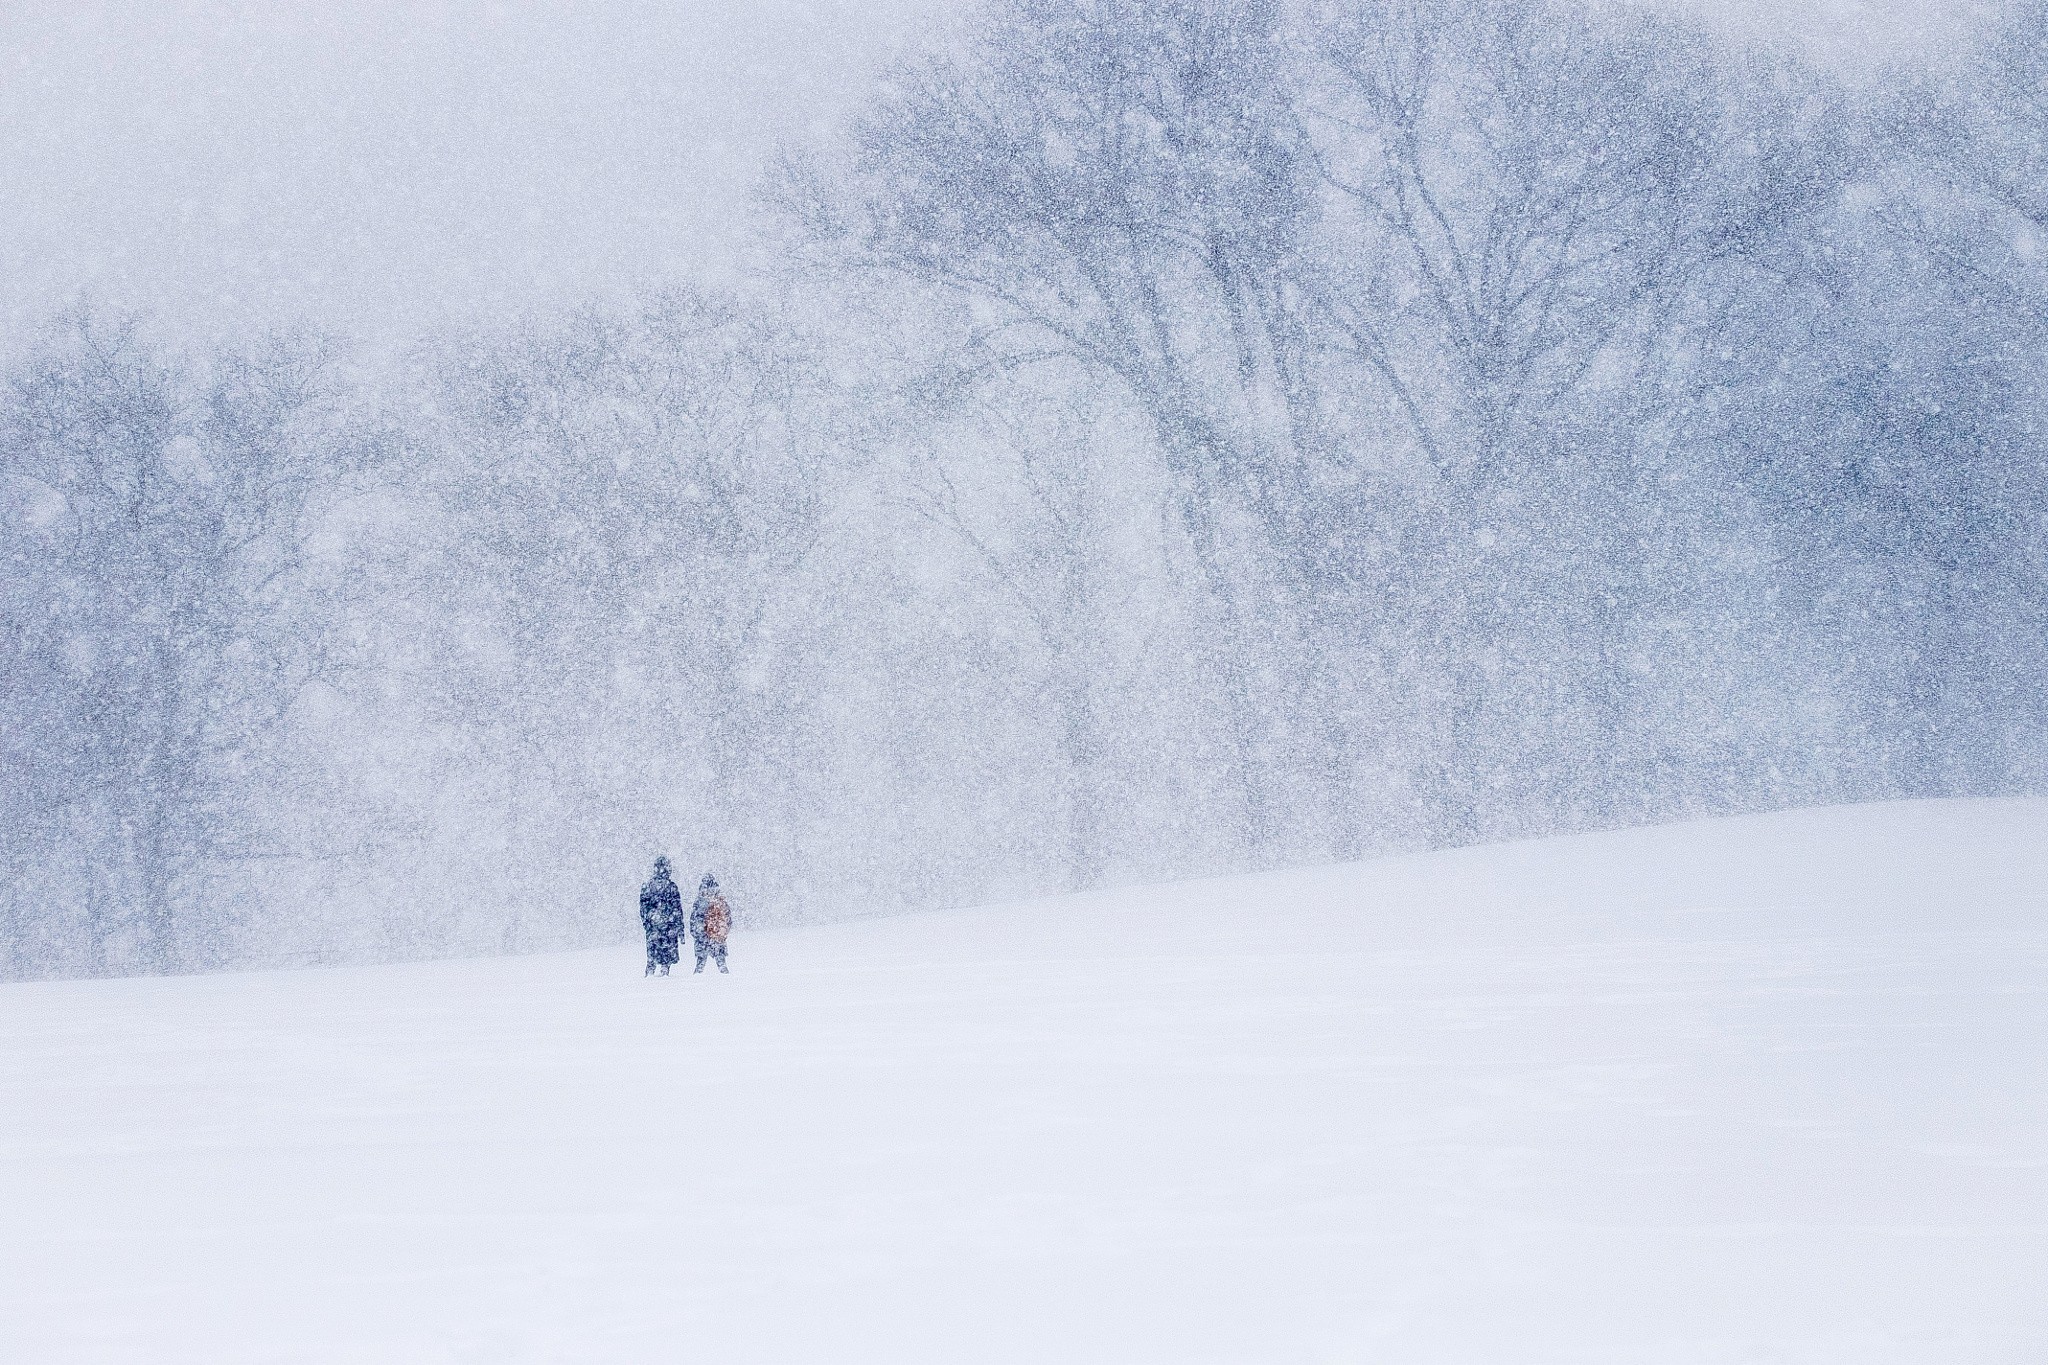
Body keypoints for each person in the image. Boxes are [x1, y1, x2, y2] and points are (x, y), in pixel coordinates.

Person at [639, 856, 683, 976]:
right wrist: (678, 926)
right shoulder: (671, 886)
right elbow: (677, 908)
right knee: (666, 955)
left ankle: (650, 973)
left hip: (654, 926)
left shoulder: (648, 886)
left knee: (652, 953)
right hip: (668, 925)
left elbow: (643, 908)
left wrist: (647, 923)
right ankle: (663, 973)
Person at [690, 873, 732, 974]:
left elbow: (694, 918)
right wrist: (723, 931)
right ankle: (726, 976)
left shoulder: (700, 901)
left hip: (702, 934)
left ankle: (697, 976)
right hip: (717, 933)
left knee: (700, 962)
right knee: (721, 960)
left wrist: (695, 932)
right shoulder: (719, 900)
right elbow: (728, 917)